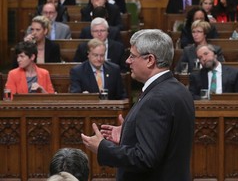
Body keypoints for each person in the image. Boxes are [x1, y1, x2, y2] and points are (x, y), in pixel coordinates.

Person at [81, 29, 195, 181]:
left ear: (150, 60)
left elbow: (145, 159)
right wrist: (130, 133)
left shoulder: (156, 99)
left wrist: (103, 148)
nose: (127, 61)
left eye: (133, 56)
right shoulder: (179, 89)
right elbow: (163, 139)